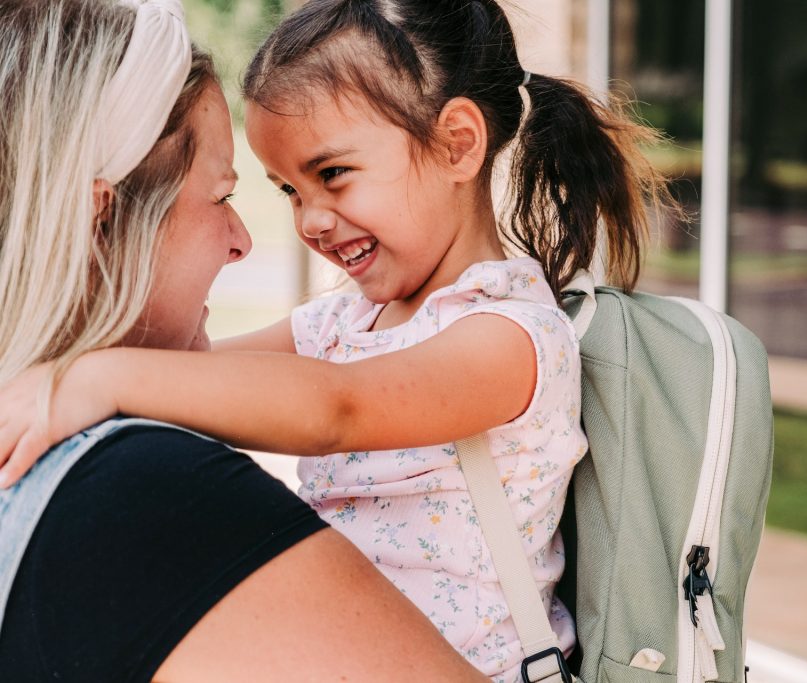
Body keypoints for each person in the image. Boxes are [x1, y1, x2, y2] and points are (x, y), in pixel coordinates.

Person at [0, 0, 677, 680]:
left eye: (332, 175)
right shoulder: (343, 322)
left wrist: (90, 380)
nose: (311, 219)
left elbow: (336, 409)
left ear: (457, 144)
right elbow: (196, 374)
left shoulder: (511, 335)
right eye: (289, 190)